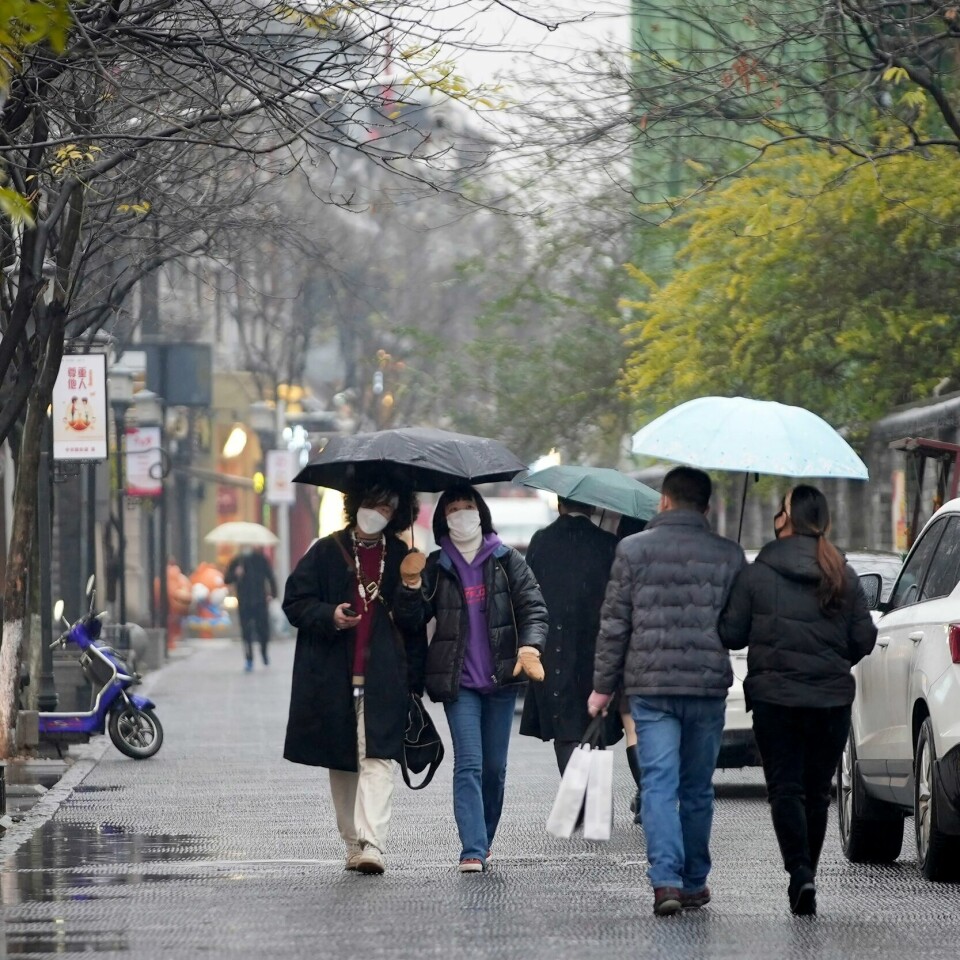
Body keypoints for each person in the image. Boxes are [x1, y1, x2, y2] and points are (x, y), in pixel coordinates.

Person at [588, 466, 745, 917]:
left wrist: (602, 687)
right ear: (707, 507)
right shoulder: (729, 554)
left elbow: (614, 624)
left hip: (651, 687)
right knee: (697, 787)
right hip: (706, 687)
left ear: (664, 501)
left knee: (658, 783)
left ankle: (666, 882)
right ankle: (694, 882)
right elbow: (738, 631)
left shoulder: (632, 550)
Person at [718, 484, 877, 916]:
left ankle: (800, 873)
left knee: (785, 789)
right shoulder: (842, 573)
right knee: (817, 792)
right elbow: (864, 638)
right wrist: (833, 661)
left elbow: (731, 634)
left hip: (776, 701)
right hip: (831, 701)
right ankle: (807, 873)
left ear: (784, 519)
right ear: (823, 520)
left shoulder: (757, 572)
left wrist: (731, 595)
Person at [394, 484, 548, 873]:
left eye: (468, 506)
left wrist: (530, 647)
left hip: (501, 679)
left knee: (494, 768)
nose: (462, 514)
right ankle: (473, 848)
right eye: (453, 508)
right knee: (469, 763)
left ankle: (485, 837)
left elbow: (533, 607)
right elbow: (412, 621)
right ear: (443, 519)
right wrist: (410, 585)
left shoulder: (507, 559)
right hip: (458, 682)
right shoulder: (434, 565)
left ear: (481, 513)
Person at [282, 476, 426, 876]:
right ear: (357, 503)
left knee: (379, 757)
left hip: (385, 675)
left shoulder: (402, 555)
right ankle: (351, 843)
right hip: (333, 676)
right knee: (343, 761)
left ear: (397, 515)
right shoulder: (326, 551)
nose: (377, 513)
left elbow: (414, 622)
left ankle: (372, 844)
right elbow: (295, 602)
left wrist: (412, 584)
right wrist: (328, 614)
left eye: (387, 508)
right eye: (373, 503)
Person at [520, 497, 621, 773]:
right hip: (596, 648)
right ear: (594, 506)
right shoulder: (608, 543)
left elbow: (528, 594)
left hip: (552, 645)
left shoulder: (542, 540)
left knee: (564, 726)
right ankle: (590, 792)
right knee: (593, 722)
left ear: (559, 504)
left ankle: (575, 790)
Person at [224, 546, 277, 670]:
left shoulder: (261, 560)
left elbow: (270, 577)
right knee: (246, 631)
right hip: (244, 601)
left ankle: (264, 651)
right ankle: (249, 658)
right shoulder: (237, 561)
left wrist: (273, 594)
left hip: (260, 600)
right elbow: (227, 579)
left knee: (263, 629)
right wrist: (236, 574)